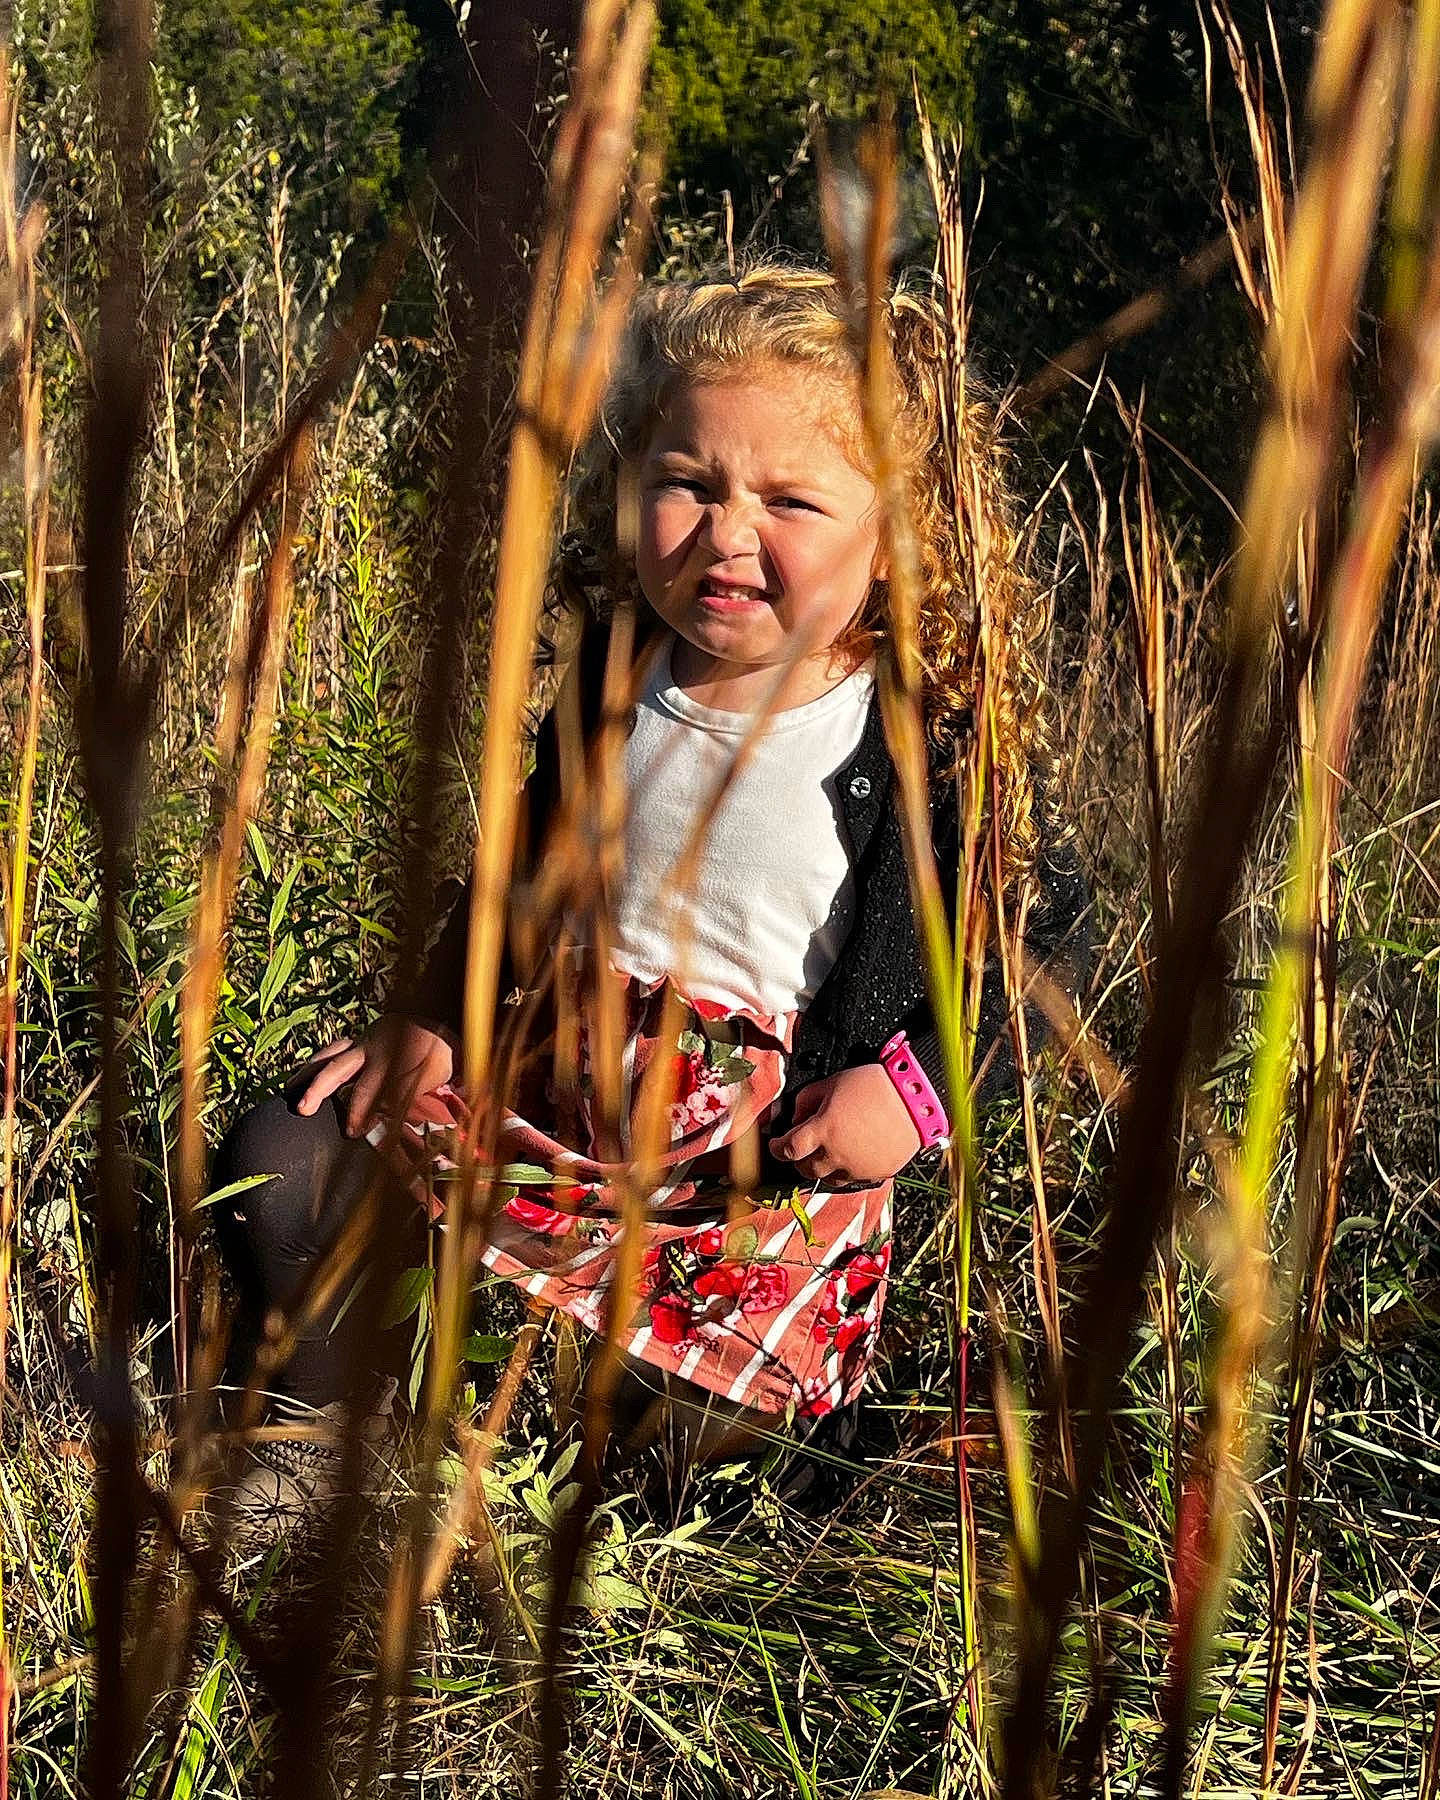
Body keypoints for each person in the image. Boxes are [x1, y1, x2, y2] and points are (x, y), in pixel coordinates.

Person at [210, 262, 1087, 1531]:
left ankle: (631, 1437)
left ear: (903, 534)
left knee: (692, 1454)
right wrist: (440, 1019)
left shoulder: (917, 742)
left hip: (743, 1194)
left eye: (790, 500)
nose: (728, 534)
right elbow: (517, 876)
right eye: (690, 484)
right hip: (544, 1116)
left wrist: (916, 1093)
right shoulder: (620, 675)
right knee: (282, 1159)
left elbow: (1034, 946)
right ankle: (326, 1431)